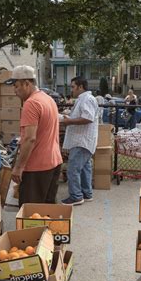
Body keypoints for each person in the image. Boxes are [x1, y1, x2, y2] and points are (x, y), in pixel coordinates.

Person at [6, 65, 62, 206]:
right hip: (53, 161)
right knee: (47, 209)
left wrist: (19, 167)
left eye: (16, 86)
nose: (14, 91)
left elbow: (30, 139)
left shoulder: (31, 103)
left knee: (31, 213)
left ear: (27, 83)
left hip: (37, 166)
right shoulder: (48, 99)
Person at [61, 76, 99, 205]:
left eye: (73, 87)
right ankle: (86, 193)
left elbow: (88, 118)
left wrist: (69, 121)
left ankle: (76, 196)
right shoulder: (84, 99)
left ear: (80, 87)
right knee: (84, 168)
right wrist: (69, 117)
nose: (71, 90)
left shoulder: (86, 99)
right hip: (83, 140)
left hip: (82, 141)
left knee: (73, 169)